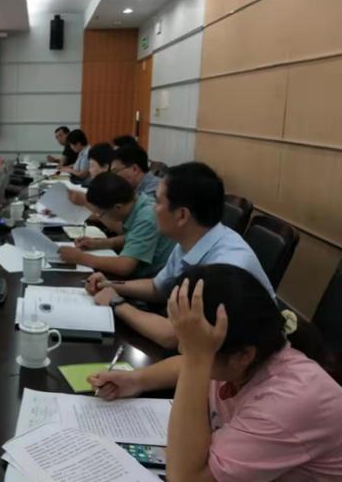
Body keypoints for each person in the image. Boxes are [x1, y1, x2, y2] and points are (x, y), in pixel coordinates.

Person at [90, 264, 342, 482]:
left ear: (243, 355)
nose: (182, 349)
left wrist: (197, 359)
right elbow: (182, 365)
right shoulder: (242, 356)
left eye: (191, 346)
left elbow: (186, 478)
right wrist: (136, 380)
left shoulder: (289, 402)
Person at [85, 162, 274, 348]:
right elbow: (158, 288)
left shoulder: (226, 265)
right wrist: (110, 285)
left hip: (242, 362)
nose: (153, 208)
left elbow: (175, 337)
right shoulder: (191, 238)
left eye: (158, 201)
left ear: (182, 215)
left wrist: (117, 303)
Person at [58, 173, 174, 278]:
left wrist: (79, 257)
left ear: (118, 207)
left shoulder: (147, 217)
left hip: (151, 281)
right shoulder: (139, 203)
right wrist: (99, 243)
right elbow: (133, 237)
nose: (100, 216)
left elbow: (124, 267)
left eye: (101, 214)